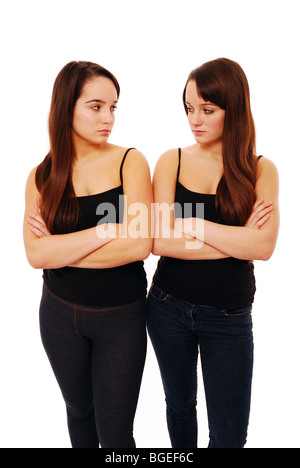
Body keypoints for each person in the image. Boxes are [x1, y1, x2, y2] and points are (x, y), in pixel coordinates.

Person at [147, 58, 280, 448]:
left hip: (229, 316)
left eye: (208, 110)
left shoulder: (260, 169)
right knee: (180, 406)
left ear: (233, 108)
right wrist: (236, 240)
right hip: (167, 306)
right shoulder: (170, 161)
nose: (195, 120)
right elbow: (156, 241)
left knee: (230, 434)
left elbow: (263, 247)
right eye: (189, 109)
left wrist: (189, 224)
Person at [23, 61, 152, 448]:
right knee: (79, 412)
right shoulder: (41, 175)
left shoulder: (131, 161)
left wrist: (58, 251)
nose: (108, 117)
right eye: (96, 106)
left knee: (115, 434)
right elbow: (34, 254)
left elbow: (139, 245)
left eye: (113, 107)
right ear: (67, 108)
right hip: (59, 315)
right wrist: (103, 231)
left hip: (121, 319)